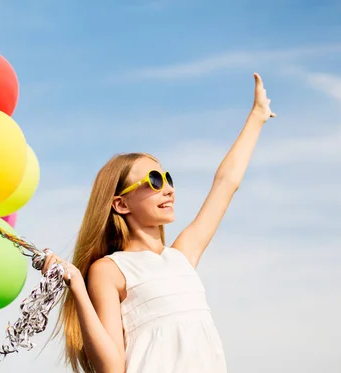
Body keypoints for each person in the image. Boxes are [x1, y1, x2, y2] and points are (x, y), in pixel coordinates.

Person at [41, 73, 275, 373]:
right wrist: (76, 285)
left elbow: (226, 183)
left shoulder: (181, 257)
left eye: (167, 178)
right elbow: (112, 368)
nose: (167, 188)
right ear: (121, 204)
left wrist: (256, 118)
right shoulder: (110, 270)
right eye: (153, 180)